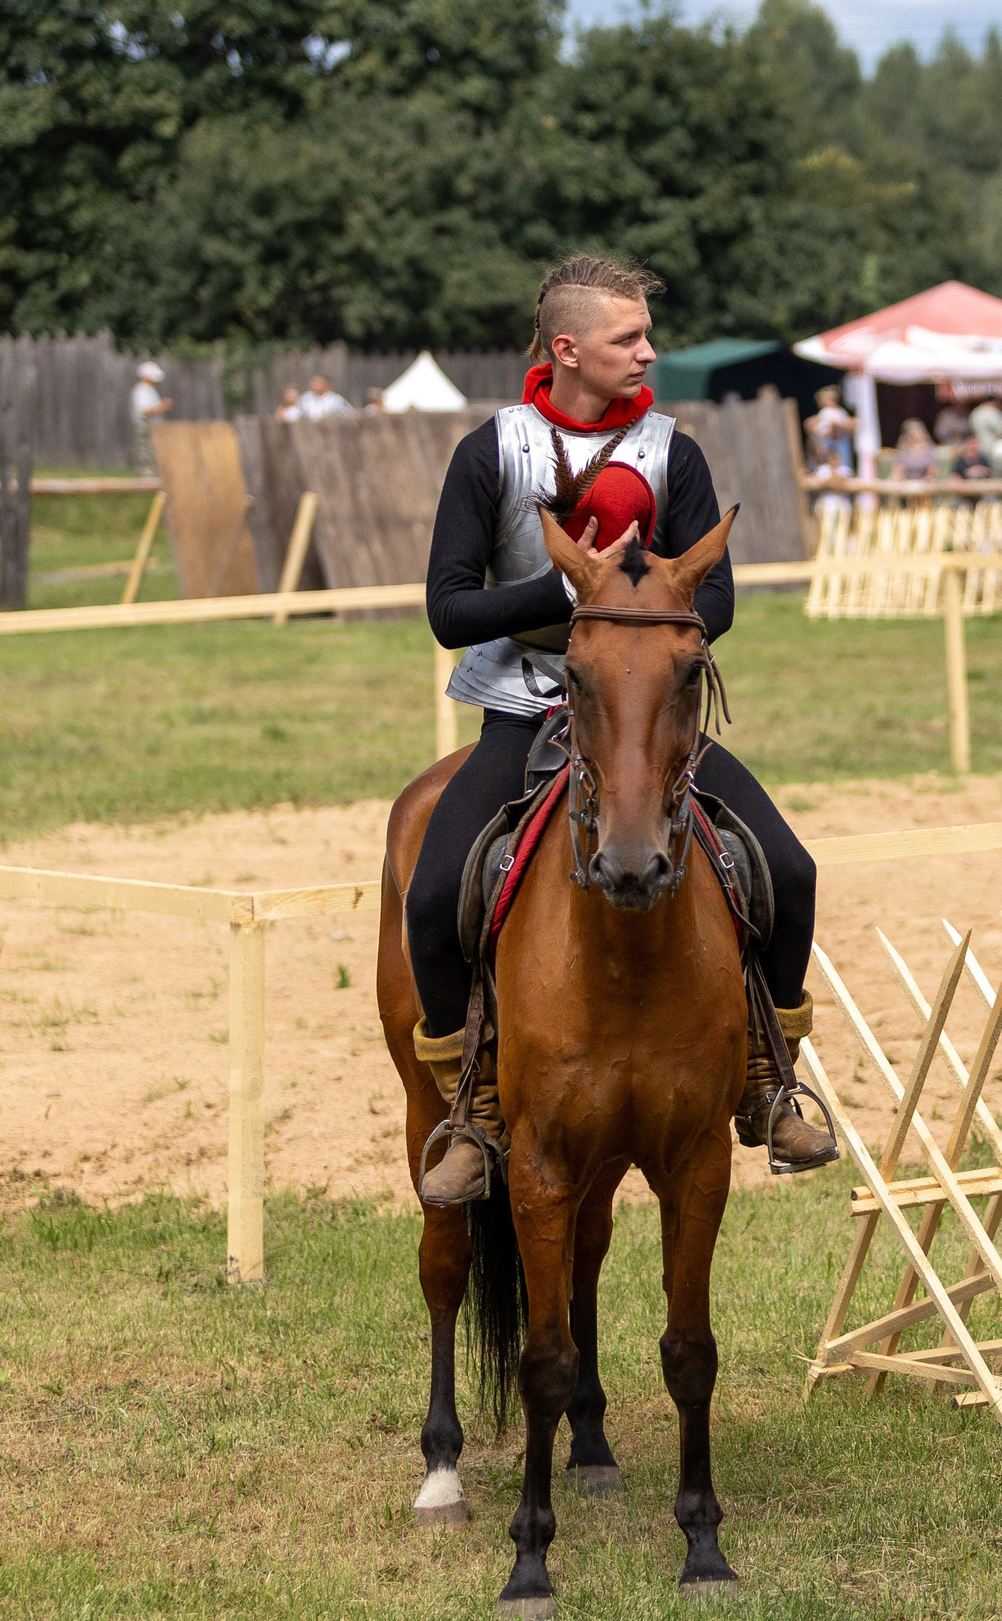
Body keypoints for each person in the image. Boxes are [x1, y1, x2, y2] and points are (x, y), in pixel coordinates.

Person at [407, 254, 836, 1204]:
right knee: (435, 893)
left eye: (646, 335)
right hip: (523, 713)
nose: (649, 352)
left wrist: (640, 631)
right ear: (567, 348)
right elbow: (447, 609)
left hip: (650, 716)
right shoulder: (492, 450)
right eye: (628, 338)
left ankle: (770, 1079)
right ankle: (472, 1105)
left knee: (791, 869)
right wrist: (568, 596)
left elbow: (713, 597)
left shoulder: (673, 451)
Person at [129, 361, 174, 472]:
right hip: (145, 427)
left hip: (152, 427)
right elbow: (144, 411)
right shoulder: (142, 390)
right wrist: (161, 406)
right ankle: (146, 483)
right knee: (147, 457)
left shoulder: (149, 389)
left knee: (153, 456)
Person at [807, 387, 856, 477]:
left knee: (843, 469)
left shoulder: (840, 412)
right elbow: (813, 427)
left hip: (839, 445)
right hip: (826, 446)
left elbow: (850, 425)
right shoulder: (824, 412)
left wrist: (838, 426)